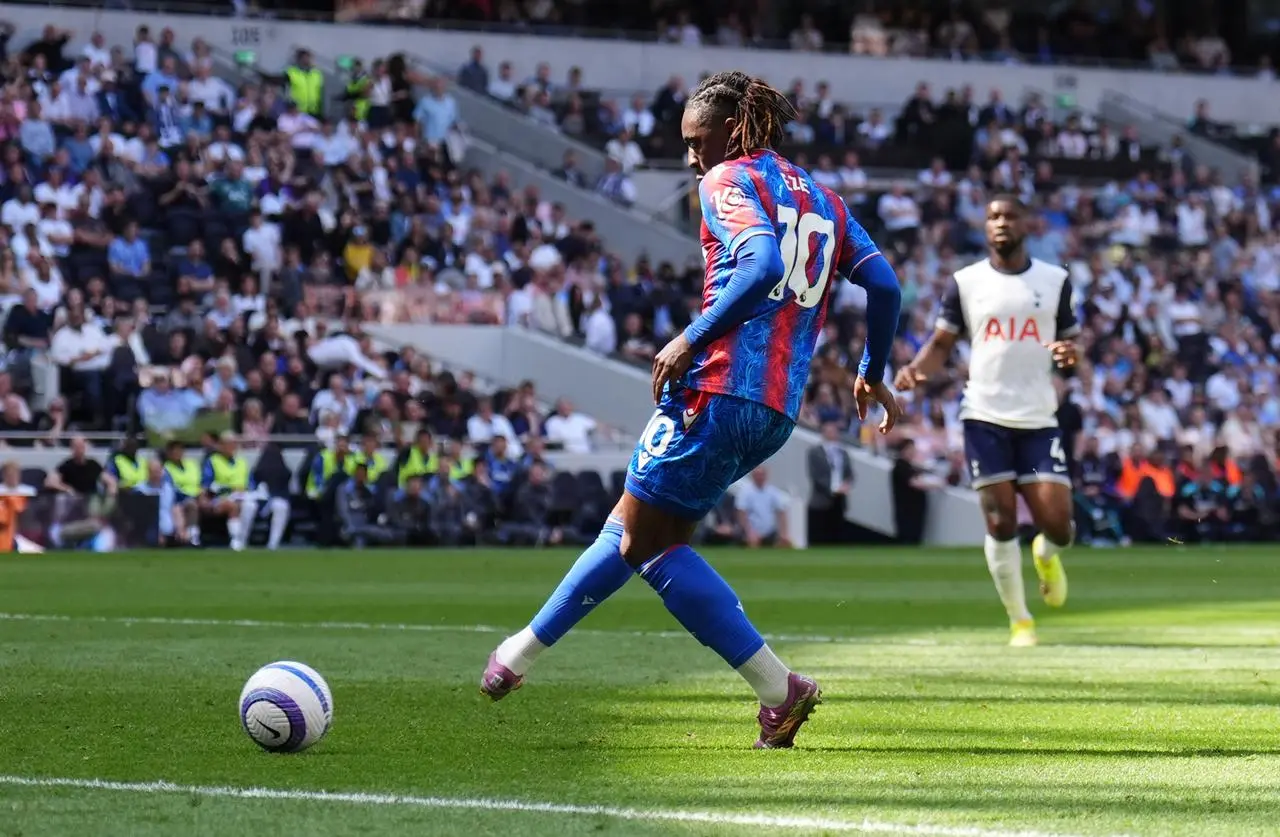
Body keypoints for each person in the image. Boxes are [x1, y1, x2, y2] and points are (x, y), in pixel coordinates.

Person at [480, 70, 903, 749]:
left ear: (730, 131)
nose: (690, 157)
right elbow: (883, 283)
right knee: (632, 523)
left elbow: (760, 262)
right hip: (774, 407)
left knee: (649, 546)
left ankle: (779, 687)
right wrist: (869, 371)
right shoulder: (823, 198)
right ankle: (516, 655)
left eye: (696, 140)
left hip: (715, 388)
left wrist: (689, 337)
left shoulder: (726, 180)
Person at [894, 195, 1078, 648]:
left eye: (1009, 216)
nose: (1000, 224)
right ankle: (1020, 620)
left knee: (1059, 526)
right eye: (993, 217)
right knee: (1000, 523)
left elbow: (1071, 350)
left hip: (1037, 416)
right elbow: (942, 342)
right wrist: (917, 370)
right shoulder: (966, 281)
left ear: (1026, 225)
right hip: (984, 415)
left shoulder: (1055, 281)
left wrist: (1069, 358)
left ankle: (1047, 555)